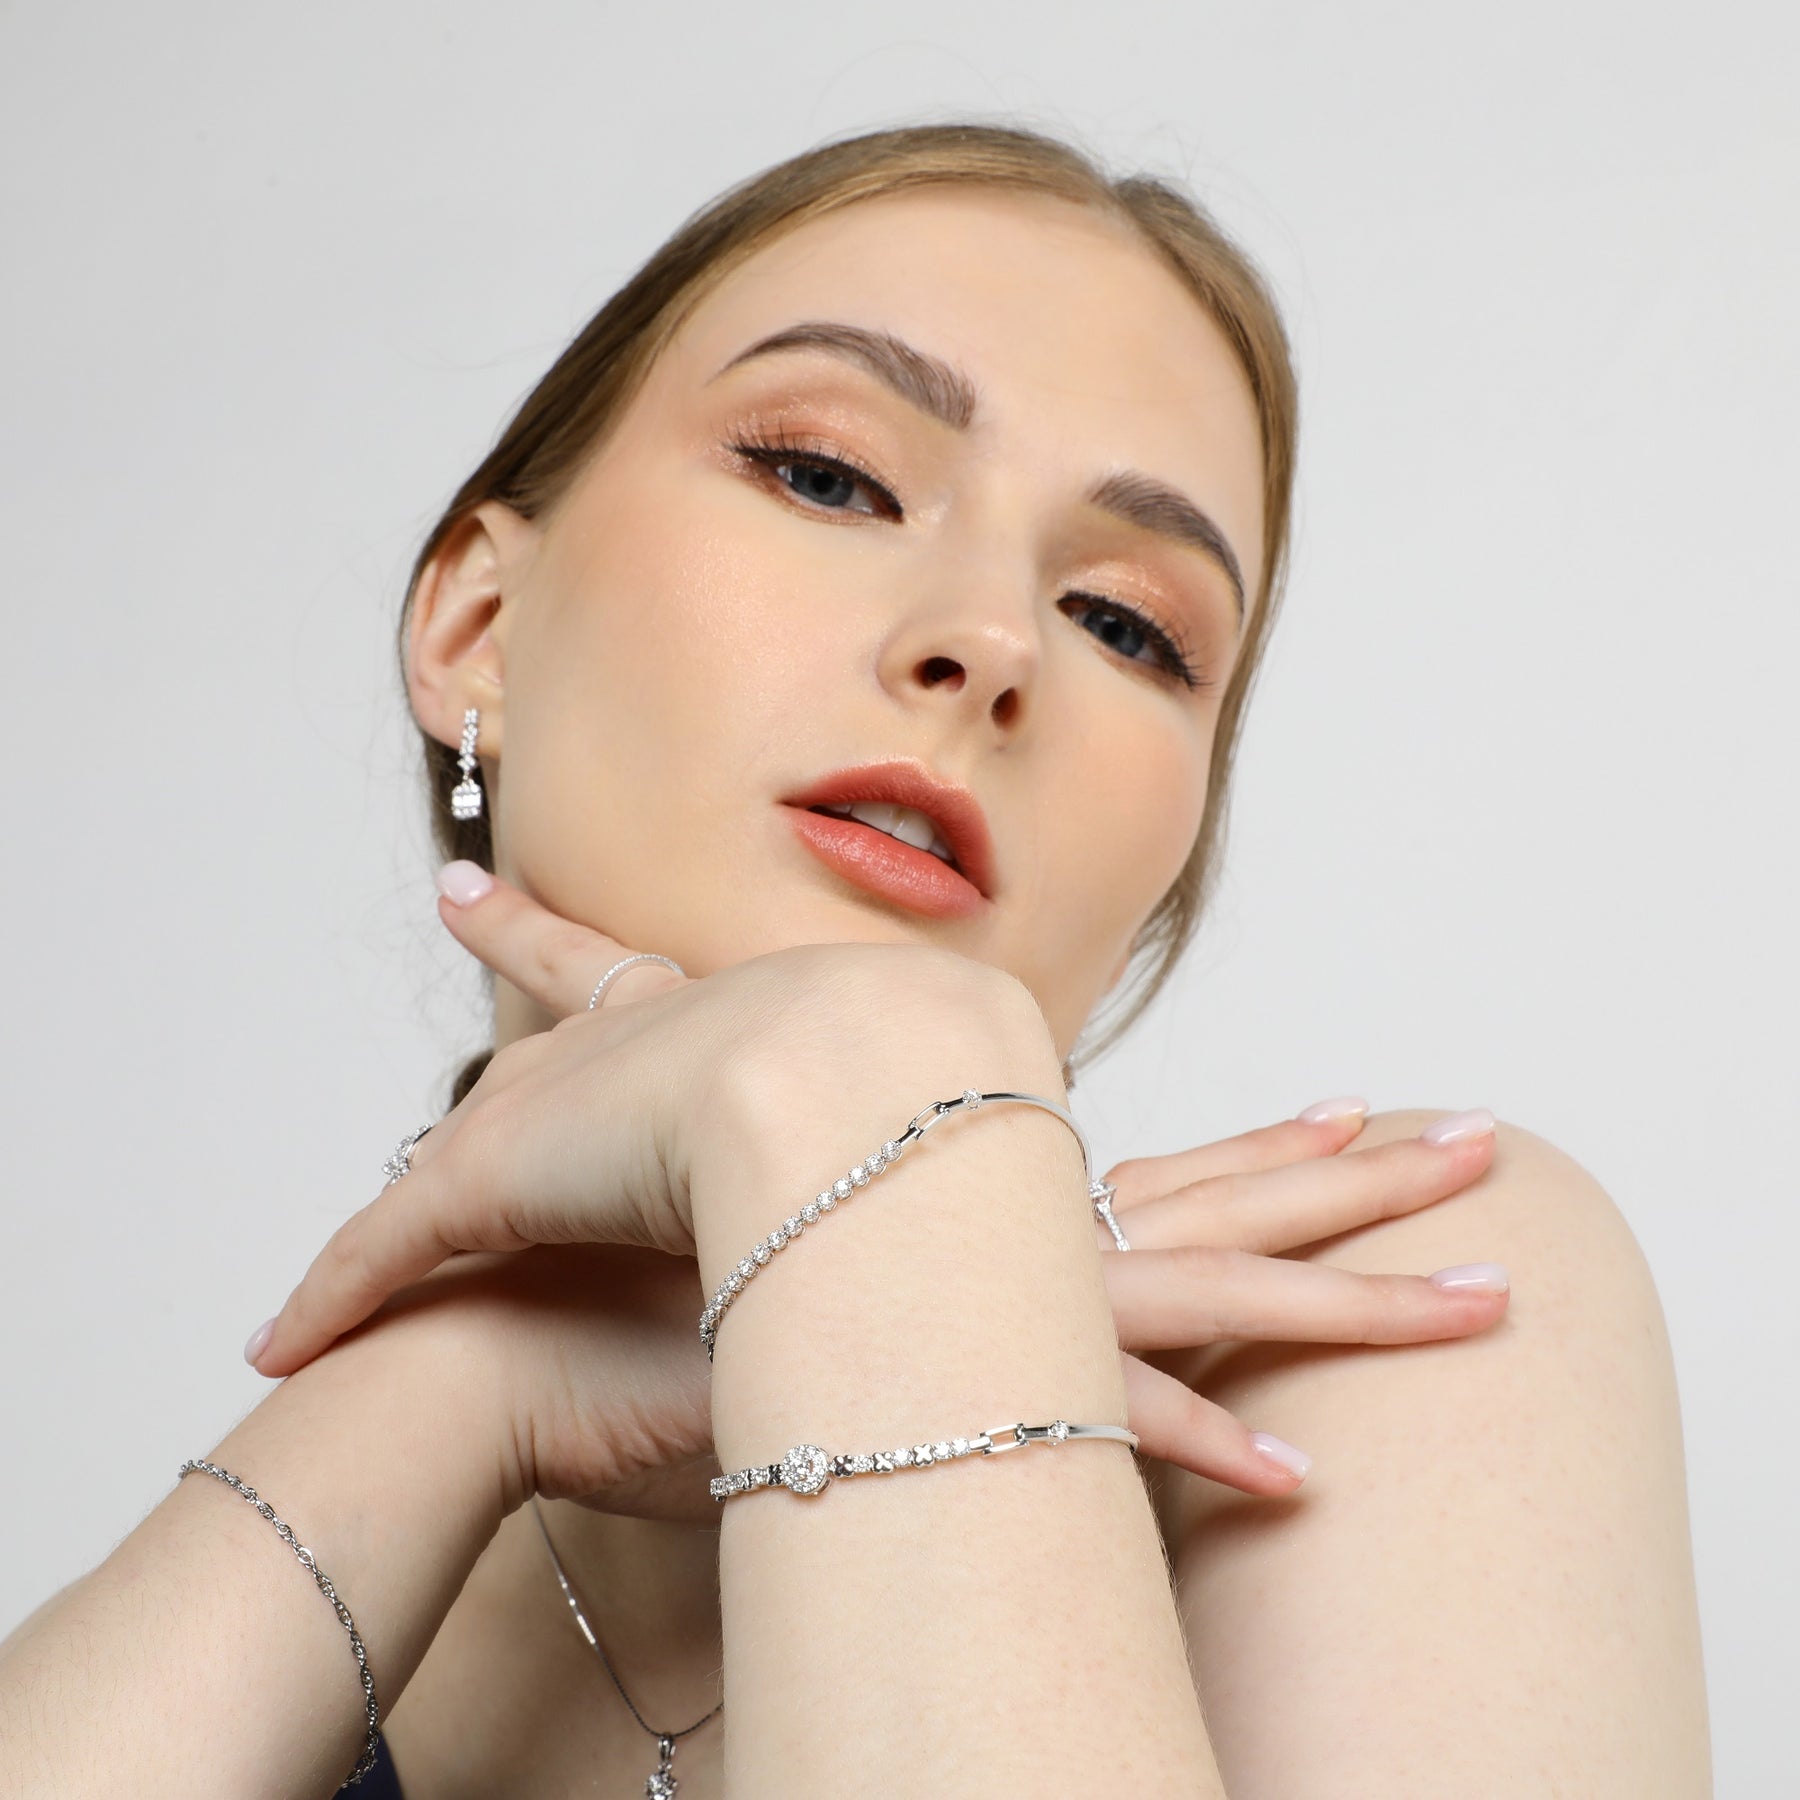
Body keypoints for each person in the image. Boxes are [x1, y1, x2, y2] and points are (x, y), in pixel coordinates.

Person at [0, 121, 1709, 1797]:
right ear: (479, 631)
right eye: (828, 476)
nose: (992, 641)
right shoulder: (231, 1599)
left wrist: (882, 1097)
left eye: (1129, 625)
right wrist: (458, 1384)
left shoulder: (1383, 1321)